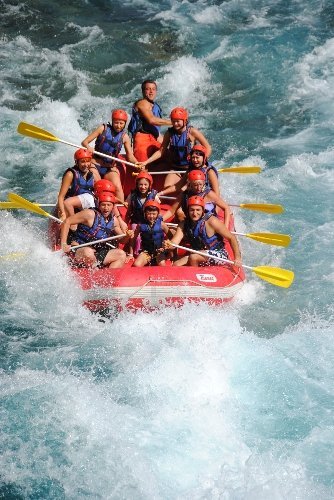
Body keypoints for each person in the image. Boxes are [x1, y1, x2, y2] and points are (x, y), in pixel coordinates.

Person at [138, 107, 212, 188]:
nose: (175, 124)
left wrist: (202, 163)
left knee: (188, 188)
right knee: (167, 186)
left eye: (178, 121)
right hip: (176, 168)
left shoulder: (192, 132)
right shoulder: (169, 133)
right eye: (173, 121)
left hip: (191, 167)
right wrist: (146, 162)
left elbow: (207, 148)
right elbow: (161, 151)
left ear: (185, 121)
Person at [163, 195, 241, 267]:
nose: (195, 213)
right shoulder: (183, 224)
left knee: (193, 257)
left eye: (198, 210)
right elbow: (175, 242)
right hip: (199, 253)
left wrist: (237, 258)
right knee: (176, 264)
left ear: (203, 210)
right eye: (192, 210)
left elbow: (231, 237)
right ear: (187, 211)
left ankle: (194, 277)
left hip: (218, 254)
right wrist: (169, 244)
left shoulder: (212, 221)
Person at [81, 109, 137, 202]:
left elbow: (130, 157)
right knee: (100, 185)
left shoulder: (125, 137)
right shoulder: (103, 128)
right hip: (95, 164)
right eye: (116, 123)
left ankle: (120, 210)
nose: (118, 126)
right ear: (112, 121)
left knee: (118, 188)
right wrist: (88, 147)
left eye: (121, 123)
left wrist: (137, 163)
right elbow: (84, 142)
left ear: (125, 124)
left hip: (109, 167)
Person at [60, 192, 128, 269]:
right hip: (79, 249)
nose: (106, 208)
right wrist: (64, 244)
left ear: (113, 206)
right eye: (103, 205)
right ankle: (95, 269)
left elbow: (122, 240)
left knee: (121, 254)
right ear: (98, 205)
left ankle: (109, 276)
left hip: (97, 251)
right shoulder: (89, 214)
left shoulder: (114, 221)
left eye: (109, 205)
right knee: (88, 252)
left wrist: (128, 236)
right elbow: (66, 222)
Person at [162, 170, 231, 227]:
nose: (198, 188)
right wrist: (159, 220)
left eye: (200, 184)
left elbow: (226, 208)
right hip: (192, 224)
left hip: (208, 224)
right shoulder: (185, 194)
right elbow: (171, 211)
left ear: (204, 183)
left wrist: (226, 227)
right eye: (195, 185)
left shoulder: (209, 194)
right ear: (190, 184)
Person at [128, 79, 171, 162]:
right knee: (142, 166)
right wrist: (174, 122)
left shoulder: (156, 106)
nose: (151, 92)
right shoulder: (142, 103)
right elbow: (152, 120)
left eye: (153, 89)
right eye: (148, 89)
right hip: (141, 138)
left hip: (154, 137)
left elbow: (155, 129)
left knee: (168, 157)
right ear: (143, 91)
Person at [57, 148, 101, 222]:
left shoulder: (92, 174)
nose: (86, 164)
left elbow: (101, 191)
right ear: (77, 162)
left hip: (85, 203)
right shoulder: (70, 174)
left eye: (88, 161)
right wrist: (62, 213)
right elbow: (61, 197)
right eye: (82, 162)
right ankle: (73, 224)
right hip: (71, 205)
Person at [130, 200, 172, 267]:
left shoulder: (162, 224)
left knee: (162, 264)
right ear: (145, 213)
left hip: (159, 251)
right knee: (137, 264)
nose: (151, 216)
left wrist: (170, 253)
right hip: (146, 252)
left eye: (154, 214)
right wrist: (131, 254)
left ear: (158, 214)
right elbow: (133, 238)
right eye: (149, 213)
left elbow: (172, 238)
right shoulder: (140, 225)